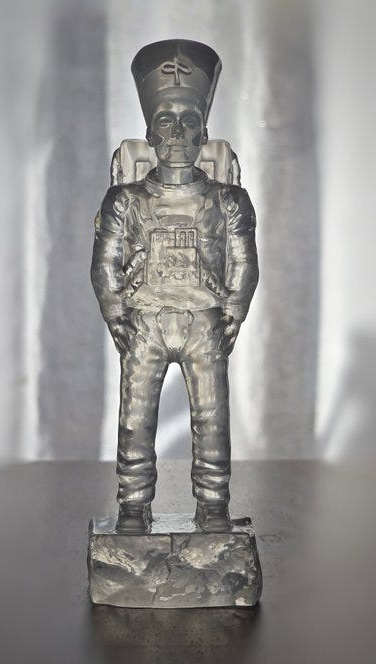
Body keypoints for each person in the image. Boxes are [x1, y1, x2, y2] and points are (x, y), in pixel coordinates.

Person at [91, 39, 258, 533]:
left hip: (204, 323)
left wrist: (233, 312)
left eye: (189, 121)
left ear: (204, 133)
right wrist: (115, 311)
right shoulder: (124, 200)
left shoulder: (229, 200)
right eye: (166, 120)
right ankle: (133, 507)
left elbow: (244, 262)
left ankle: (213, 507)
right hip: (143, 323)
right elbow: (105, 262)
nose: (178, 132)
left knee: (211, 419)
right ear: (149, 133)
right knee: (135, 419)